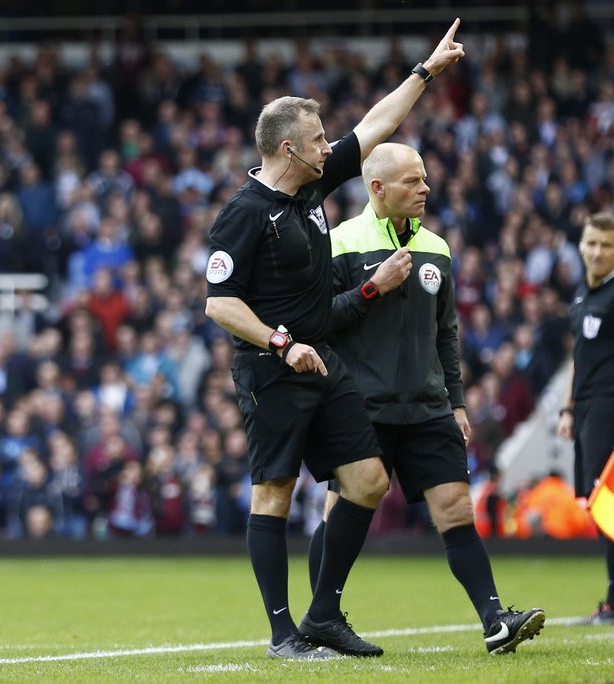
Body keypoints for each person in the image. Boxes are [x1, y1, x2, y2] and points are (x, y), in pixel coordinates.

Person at [204, 21, 465, 661]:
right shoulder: (242, 213)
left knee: (369, 480)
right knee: (274, 493)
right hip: (275, 370)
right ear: (289, 149)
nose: (331, 147)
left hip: (328, 365)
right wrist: (279, 344)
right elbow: (219, 304)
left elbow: (374, 127)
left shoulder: (313, 185)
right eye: (319, 140)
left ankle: (323, 616)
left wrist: (424, 73)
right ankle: (281, 633)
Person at [311, 142, 545, 655]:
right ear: (378, 188)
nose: (425, 189)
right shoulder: (340, 243)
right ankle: (321, 615)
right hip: (359, 407)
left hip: (428, 407)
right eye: (413, 181)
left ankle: (495, 621)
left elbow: (446, 333)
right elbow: (320, 322)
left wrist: (457, 400)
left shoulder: (436, 248)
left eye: (424, 179)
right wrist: (373, 287)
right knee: (342, 509)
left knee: (457, 508)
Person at [555, 211, 614, 626]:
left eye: (605, 245)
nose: (596, 252)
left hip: (612, 407)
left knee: (606, 499)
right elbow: (578, 357)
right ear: (580, 245)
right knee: (597, 501)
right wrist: (567, 408)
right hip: (586, 409)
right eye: (590, 243)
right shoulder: (582, 294)